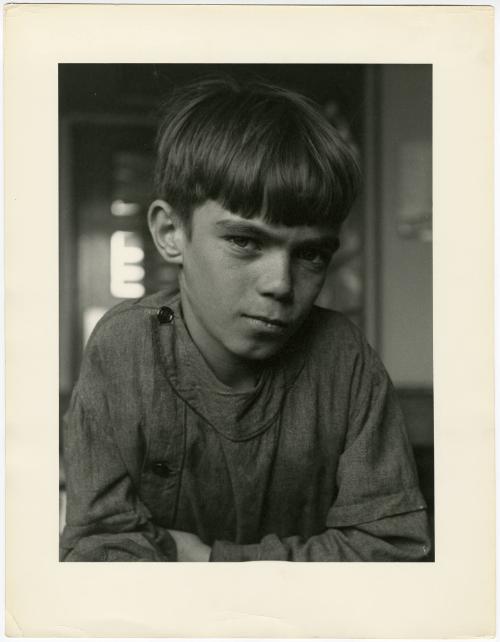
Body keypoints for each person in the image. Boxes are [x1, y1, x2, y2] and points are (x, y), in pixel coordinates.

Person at [60, 78, 431, 562]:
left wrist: (215, 561)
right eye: (245, 241)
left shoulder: (345, 359)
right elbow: (97, 549)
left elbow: (392, 552)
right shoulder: (124, 346)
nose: (280, 282)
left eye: (312, 253)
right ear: (171, 232)